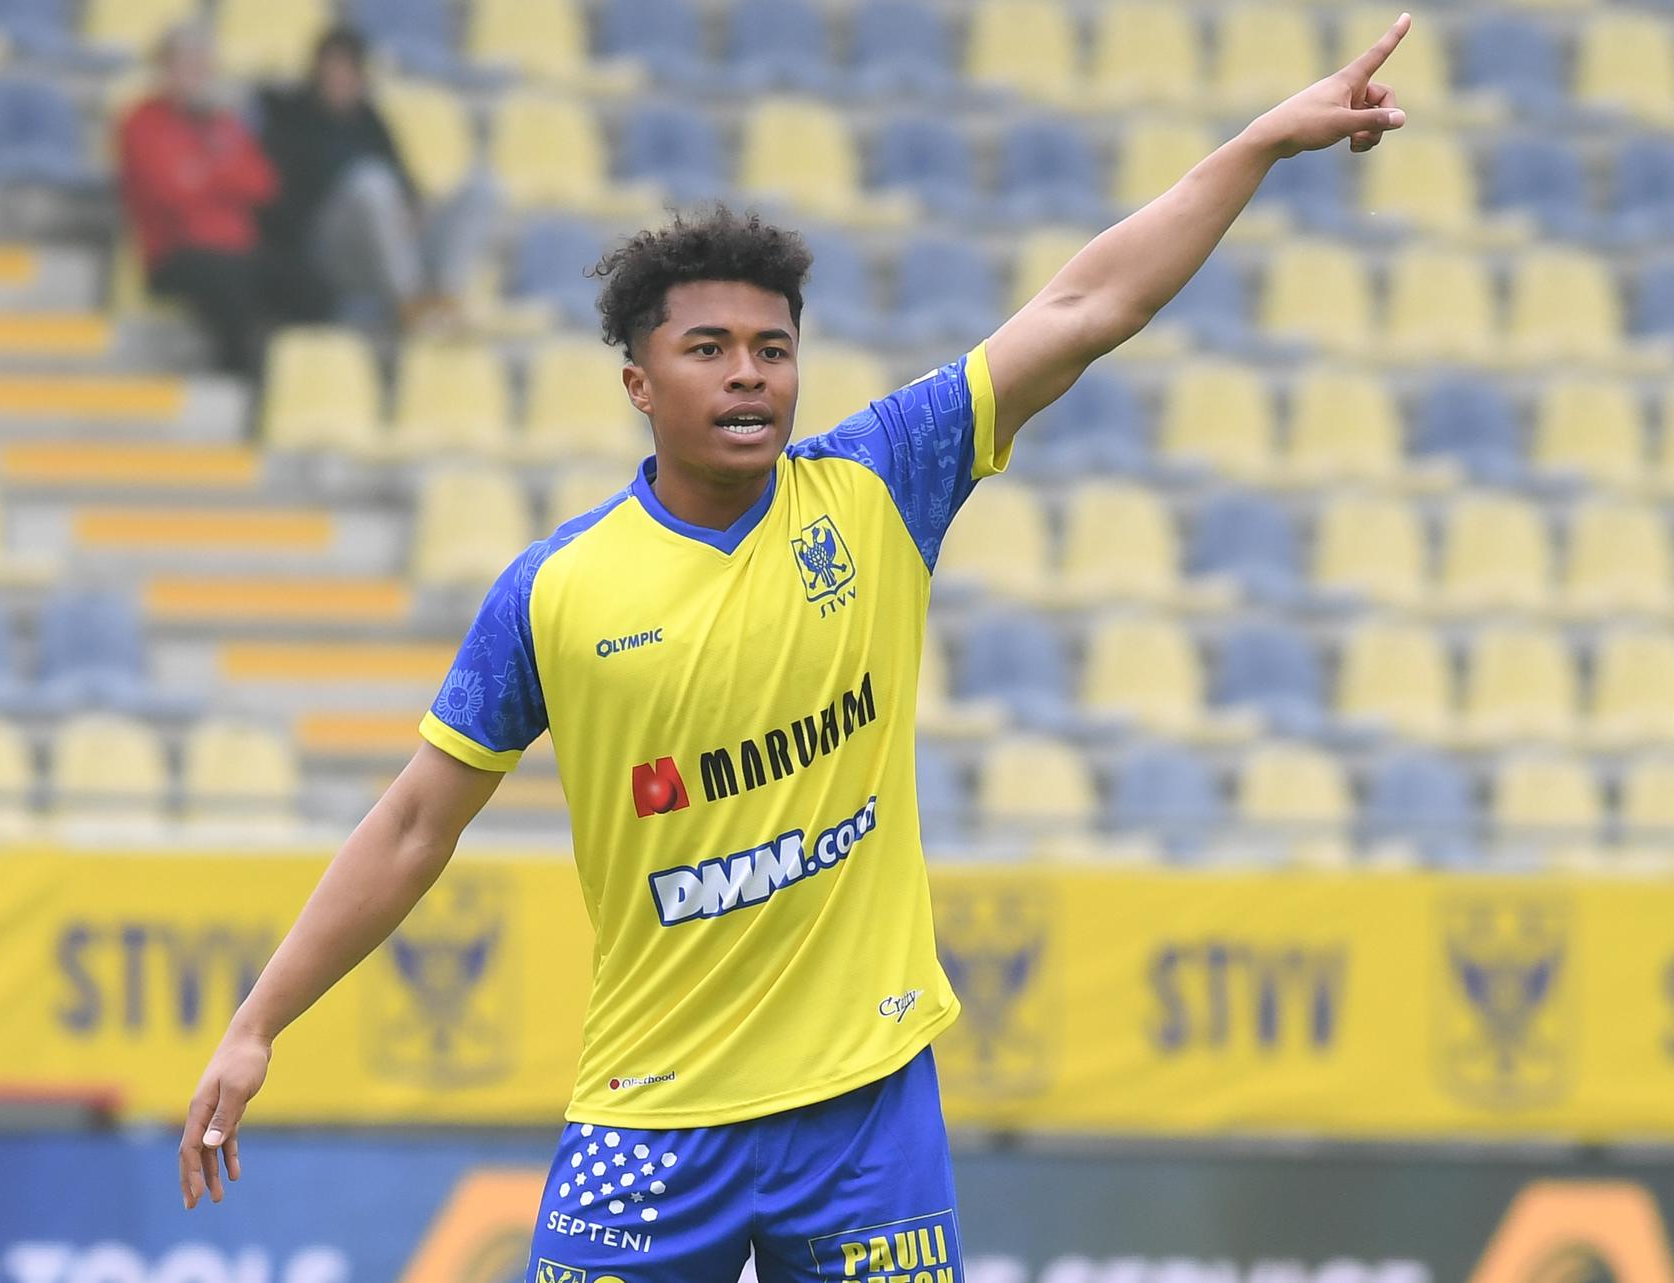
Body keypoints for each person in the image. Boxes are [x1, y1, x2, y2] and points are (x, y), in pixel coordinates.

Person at [177, 15, 1412, 1277]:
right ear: (638, 383)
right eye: (707, 349)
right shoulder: (555, 591)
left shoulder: (882, 482)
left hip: (864, 1102)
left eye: (773, 348)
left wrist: (1257, 145)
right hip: (652, 1112)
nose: (750, 376)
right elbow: (411, 827)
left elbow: (1090, 303)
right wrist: (259, 1020)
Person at [257, 26, 496, 334]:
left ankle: (443, 296)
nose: (340, 79)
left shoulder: (370, 119)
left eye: (349, 69)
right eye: (333, 69)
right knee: (370, 183)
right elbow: (285, 200)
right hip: (331, 249)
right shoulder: (292, 118)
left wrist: (413, 207)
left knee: (483, 189)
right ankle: (407, 300)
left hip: (390, 241)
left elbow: (404, 181)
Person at [117, 25, 282, 378]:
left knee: (305, 282)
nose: (198, 75)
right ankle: (241, 379)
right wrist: (222, 172)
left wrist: (204, 171)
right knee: (228, 282)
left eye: (204, 66)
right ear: (165, 68)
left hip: (238, 250)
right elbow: (168, 192)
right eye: (188, 65)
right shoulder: (141, 122)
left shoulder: (224, 122)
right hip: (177, 252)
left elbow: (263, 185)